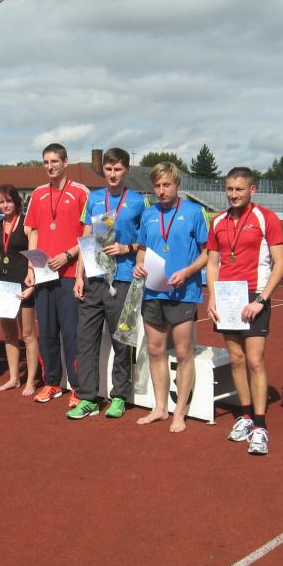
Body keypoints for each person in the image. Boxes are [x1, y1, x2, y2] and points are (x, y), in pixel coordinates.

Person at [206, 167, 283, 454]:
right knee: (236, 359)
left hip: (254, 295)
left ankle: (260, 425)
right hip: (227, 297)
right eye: (229, 189)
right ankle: (245, 415)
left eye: (239, 189)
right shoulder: (217, 221)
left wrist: (261, 300)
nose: (233, 194)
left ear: (252, 190)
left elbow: (281, 263)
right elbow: (213, 263)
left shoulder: (267, 218)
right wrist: (212, 298)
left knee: (255, 361)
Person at [69, 148, 147, 420]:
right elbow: (86, 238)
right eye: (109, 169)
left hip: (122, 279)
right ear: (103, 170)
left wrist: (127, 248)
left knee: (121, 340)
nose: (113, 174)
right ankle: (88, 397)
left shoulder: (138, 201)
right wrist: (79, 275)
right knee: (85, 340)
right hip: (94, 278)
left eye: (118, 169)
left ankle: (119, 396)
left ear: (126, 170)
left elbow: (145, 241)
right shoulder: (94, 198)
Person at [134, 162, 208, 433]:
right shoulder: (149, 214)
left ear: (177, 185)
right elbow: (143, 249)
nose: (161, 191)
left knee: (183, 352)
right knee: (155, 351)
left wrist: (187, 271)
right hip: (153, 290)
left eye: (166, 185)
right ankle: (160, 407)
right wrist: (138, 265)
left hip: (183, 292)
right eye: (157, 186)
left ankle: (180, 412)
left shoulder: (194, 212)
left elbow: (208, 253)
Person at [24, 143, 88, 406]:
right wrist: (31, 267)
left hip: (70, 273)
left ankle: (77, 387)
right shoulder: (38, 194)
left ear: (65, 162)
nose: (50, 166)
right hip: (43, 274)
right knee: (47, 332)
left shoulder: (80, 192)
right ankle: (51, 382)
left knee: (71, 334)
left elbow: (89, 235)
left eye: (54, 161)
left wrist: (68, 255)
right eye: (46, 162)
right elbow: (34, 231)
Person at [0, 184, 39, 396]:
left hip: (24, 283)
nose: (5, 205)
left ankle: (30, 380)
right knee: (9, 334)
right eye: (1, 202)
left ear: (16, 201)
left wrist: (32, 284)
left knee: (27, 334)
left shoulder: (28, 225)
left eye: (8, 201)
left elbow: (34, 256)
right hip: (4, 285)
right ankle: (13, 378)